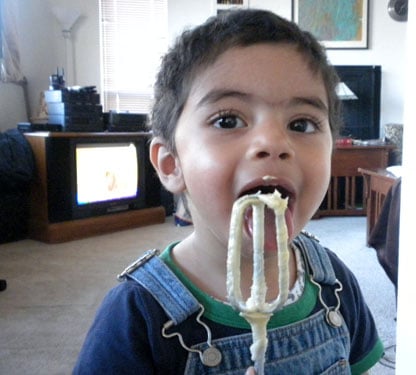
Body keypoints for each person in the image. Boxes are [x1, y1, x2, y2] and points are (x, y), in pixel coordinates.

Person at [74, 9, 383, 375]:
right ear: (172, 164)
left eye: (302, 123)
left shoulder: (334, 282)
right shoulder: (137, 316)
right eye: (227, 120)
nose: (273, 142)